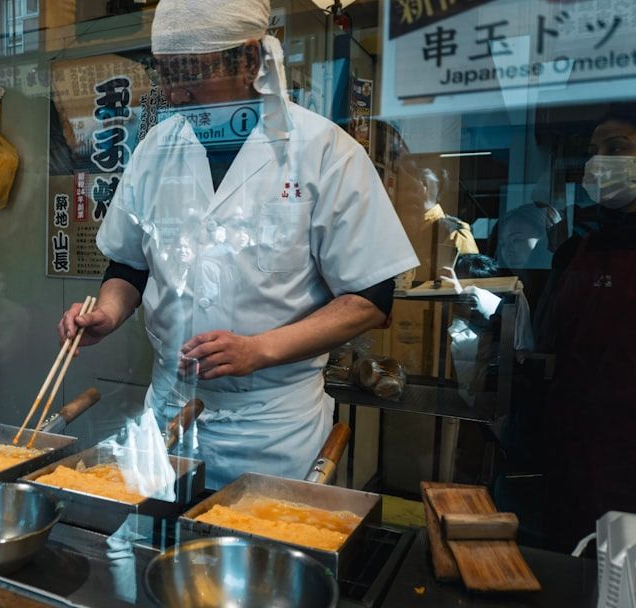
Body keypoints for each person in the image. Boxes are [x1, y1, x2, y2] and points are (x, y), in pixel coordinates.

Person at [58, 0, 418, 487]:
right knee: (161, 549)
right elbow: (129, 266)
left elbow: (371, 299)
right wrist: (107, 312)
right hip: (168, 411)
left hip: (270, 427)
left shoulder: (324, 153)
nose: (175, 92)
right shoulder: (155, 151)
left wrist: (261, 349)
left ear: (250, 60)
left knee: (260, 551)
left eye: (192, 73)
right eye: (165, 73)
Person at [538, 104, 636, 551]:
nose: (600, 161)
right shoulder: (578, 249)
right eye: (594, 151)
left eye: (617, 149)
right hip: (570, 436)